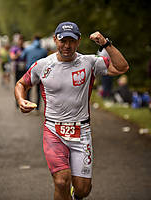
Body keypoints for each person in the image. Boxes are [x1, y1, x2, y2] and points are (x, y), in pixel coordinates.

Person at [14, 22, 129, 200]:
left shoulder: (89, 62)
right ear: (55, 40)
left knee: (83, 190)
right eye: (63, 41)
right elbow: (22, 83)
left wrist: (105, 44)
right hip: (53, 130)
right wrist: (21, 100)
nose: (67, 46)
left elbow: (122, 67)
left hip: (81, 132)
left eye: (72, 41)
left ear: (78, 42)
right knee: (61, 181)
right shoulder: (42, 65)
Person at [20, 35, 47, 111]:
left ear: (33, 39)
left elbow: (22, 57)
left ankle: (28, 105)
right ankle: (37, 108)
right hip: (41, 72)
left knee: (28, 89)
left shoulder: (28, 49)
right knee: (39, 91)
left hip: (30, 71)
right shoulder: (44, 50)